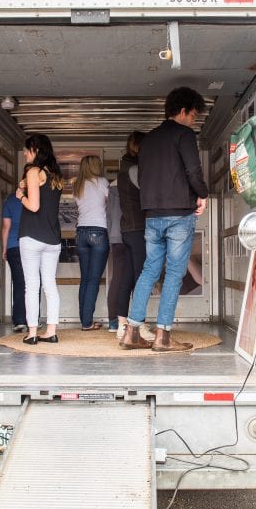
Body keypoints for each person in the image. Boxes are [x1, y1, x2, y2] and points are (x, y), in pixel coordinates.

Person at [120, 87, 209, 352]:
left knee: (149, 270)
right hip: (179, 214)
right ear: (182, 112)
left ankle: (131, 333)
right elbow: (193, 170)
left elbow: (145, 178)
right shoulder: (184, 135)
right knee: (174, 273)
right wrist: (202, 194)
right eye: (193, 115)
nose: (193, 120)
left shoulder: (147, 141)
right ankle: (163, 337)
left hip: (152, 216)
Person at [17, 134, 64, 345]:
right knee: (49, 284)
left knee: (32, 285)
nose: (25, 153)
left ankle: (33, 332)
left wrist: (21, 196)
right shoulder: (55, 175)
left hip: (32, 236)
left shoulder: (33, 171)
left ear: (35, 150)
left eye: (27, 149)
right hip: (53, 239)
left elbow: (34, 206)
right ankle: (51, 331)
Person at [115, 131, 155, 342]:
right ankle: (137, 326)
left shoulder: (124, 167)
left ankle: (123, 325)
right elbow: (150, 193)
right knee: (142, 279)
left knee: (128, 278)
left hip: (128, 230)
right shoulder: (135, 170)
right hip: (139, 229)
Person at [73, 155, 110, 330]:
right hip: (98, 231)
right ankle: (87, 322)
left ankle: (85, 320)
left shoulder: (77, 185)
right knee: (94, 280)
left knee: (85, 279)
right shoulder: (102, 182)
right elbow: (111, 203)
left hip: (81, 232)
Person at [2, 193, 27, 333]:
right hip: (30, 245)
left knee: (18, 283)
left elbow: (6, 227)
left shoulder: (10, 200)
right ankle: (32, 320)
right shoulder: (35, 198)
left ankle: (19, 321)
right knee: (33, 283)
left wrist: (4, 248)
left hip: (13, 245)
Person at [105, 177, 125, 333]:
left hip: (115, 237)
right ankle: (131, 320)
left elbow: (109, 216)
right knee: (135, 278)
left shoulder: (111, 189)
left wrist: (111, 237)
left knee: (117, 277)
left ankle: (113, 321)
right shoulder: (136, 182)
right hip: (133, 235)